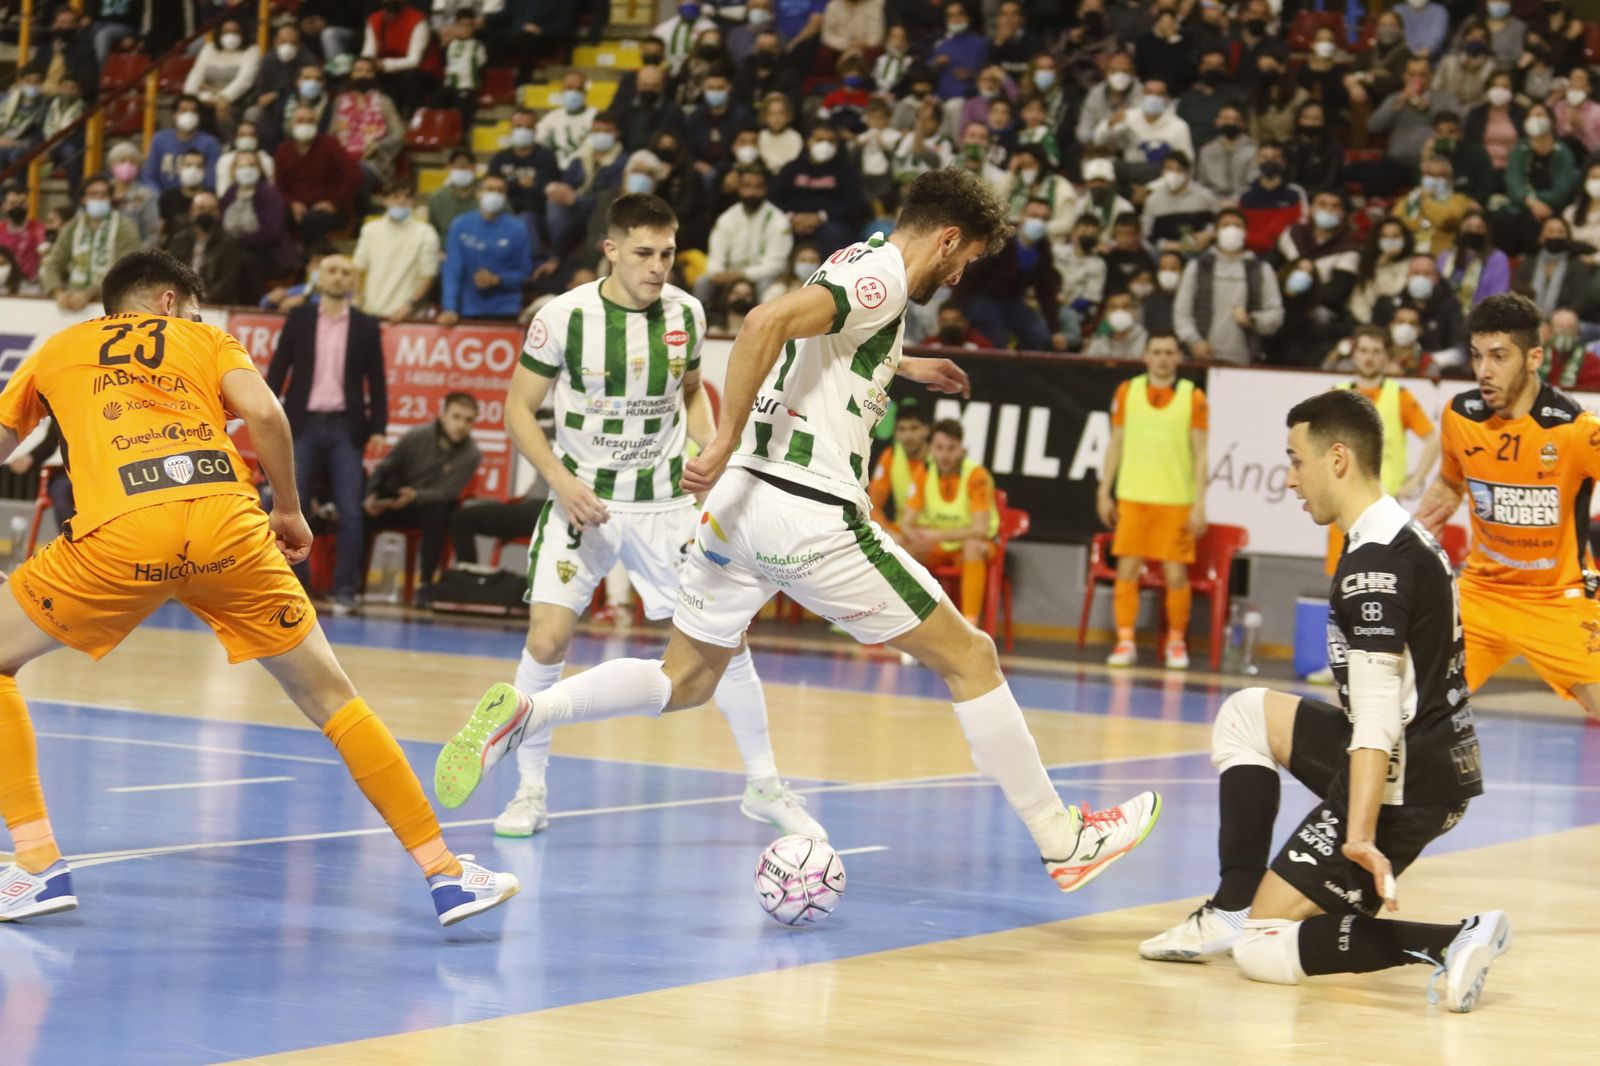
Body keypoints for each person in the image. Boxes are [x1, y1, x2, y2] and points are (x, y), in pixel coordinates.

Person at [435, 167, 1164, 898]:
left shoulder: (857, 258)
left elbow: (827, 343)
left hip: (738, 508)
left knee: (684, 680)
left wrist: (904, 364)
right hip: (806, 509)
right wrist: (721, 436)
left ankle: (531, 711)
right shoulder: (883, 275)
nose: (959, 276)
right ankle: (1062, 839)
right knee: (971, 657)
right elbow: (763, 324)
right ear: (947, 239)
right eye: (965, 258)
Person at [0, 250, 517, 926]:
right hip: (229, 526)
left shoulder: (59, 347)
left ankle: (37, 864)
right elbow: (268, 415)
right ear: (167, 302)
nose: (193, 319)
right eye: (191, 310)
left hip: (122, 532)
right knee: (333, 700)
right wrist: (290, 511)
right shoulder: (208, 341)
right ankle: (447, 874)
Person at [1137, 388, 1504, 1013]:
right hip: (1428, 755)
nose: (1289, 478)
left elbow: (1377, 721)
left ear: (1337, 459)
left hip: (1408, 784)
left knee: (1262, 949)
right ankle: (1232, 905)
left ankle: (1452, 940)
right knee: (1244, 714)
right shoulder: (1396, 532)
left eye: (1295, 460)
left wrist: (1358, 834)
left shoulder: (1373, 567)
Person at [480, 193, 821, 841]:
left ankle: (765, 784)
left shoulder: (687, 313)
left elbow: (690, 393)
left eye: (667, 253)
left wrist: (708, 446)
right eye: (644, 253)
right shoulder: (562, 317)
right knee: (547, 641)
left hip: (664, 506)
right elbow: (518, 410)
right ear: (611, 250)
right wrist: (560, 482)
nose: (659, 266)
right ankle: (529, 790)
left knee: (724, 641)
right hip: (582, 503)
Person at [1416, 293, 1600, 719]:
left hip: (1558, 599)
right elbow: (1449, 483)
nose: (1484, 370)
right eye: (1477, 355)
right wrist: (1420, 528)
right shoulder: (1460, 416)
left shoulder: (1576, 430)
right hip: (1481, 595)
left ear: (1534, 358)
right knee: (1404, 708)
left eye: (1499, 356)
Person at [265, 254, 388, 616]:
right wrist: (263, 415)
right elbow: (278, 369)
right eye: (332, 271)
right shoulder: (300, 318)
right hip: (301, 424)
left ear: (353, 281)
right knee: (293, 506)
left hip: (345, 427)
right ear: (319, 277)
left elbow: (377, 380)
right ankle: (294, 586)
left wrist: (379, 427)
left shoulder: (366, 325)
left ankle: (345, 589)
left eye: (345, 272)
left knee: (350, 509)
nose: (338, 277)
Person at [1096, 334, 1207, 669]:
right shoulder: (1127, 391)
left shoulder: (1192, 396)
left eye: (1169, 352)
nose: (1162, 358)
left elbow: (1201, 453)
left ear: (1178, 357)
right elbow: (1115, 443)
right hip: (1133, 495)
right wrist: (1104, 489)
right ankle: (1125, 641)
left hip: (1175, 499)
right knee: (1127, 569)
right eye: (1156, 352)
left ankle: (1176, 642)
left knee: (1175, 573)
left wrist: (1199, 503)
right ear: (1145, 355)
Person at [1322, 326, 1440, 574]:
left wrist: (1415, 480)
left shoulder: (1399, 396)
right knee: (1342, 579)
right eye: (1364, 350)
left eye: (1376, 352)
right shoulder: (1336, 395)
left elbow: (1433, 439)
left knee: (1382, 579)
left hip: (1385, 506)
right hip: (1344, 506)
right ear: (1354, 354)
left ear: (1386, 356)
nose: (1369, 357)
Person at [365, 393, 483, 601]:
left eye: (468, 420)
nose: (461, 425)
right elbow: (385, 467)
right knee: (359, 514)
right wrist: (372, 496)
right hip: (395, 503)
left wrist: (414, 495)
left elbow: (447, 492)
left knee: (438, 511)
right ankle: (351, 584)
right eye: (456, 417)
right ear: (443, 416)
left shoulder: (472, 454)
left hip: (429, 508)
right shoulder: (416, 436)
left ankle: (426, 584)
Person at [899, 419, 998, 625]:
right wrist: (915, 536)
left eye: (951, 448)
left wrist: (937, 535)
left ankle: (970, 626)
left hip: (974, 546)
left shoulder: (976, 475)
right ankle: (908, 620)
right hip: (938, 546)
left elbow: (980, 529)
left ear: (962, 450)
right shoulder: (924, 473)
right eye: (939, 447)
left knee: (972, 546)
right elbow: (907, 523)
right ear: (930, 449)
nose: (945, 455)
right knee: (903, 548)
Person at [1174, 207, 1283, 364]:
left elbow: (1276, 315)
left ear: (1245, 233)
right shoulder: (1197, 266)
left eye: (1237, 225)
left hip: (1246, 360)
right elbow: (1182, 312)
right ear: (1216, 232)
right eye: (1225, 225)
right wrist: (1194, 341)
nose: (1232, 229)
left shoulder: (1262, 269)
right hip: (1202, 359)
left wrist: (1252, 320)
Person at [439, 174, 534, 324]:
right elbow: (452, 270)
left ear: (505, 196)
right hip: (467, 309)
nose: (494, 195)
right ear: (478, 193)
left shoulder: (517, 229)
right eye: (490, 189)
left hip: (505, 310)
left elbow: (524, 272)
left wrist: (499, 280)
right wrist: (450, 307)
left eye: (500, 191)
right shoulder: (460, 225)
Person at [39, 178, 141, 312]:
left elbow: (126, 271)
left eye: (104, 194)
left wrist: (90, 293)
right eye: (93, 194)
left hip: (112, 302)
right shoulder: (73, 226)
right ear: (83, 199)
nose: (99, 198)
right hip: (73, 300)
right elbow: (53, 264)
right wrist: (58, 292)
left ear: (110, 198)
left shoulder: (125, 227)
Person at [274, 103, 363, 245]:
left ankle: (313, 256)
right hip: (297, 207)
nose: (305, 125)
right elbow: (280, 187)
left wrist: (335, 203)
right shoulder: (283, 150)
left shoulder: (330, 145)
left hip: (330, 210)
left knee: (311, 220)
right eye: (300, 121)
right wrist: (292, 203)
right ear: (291, 125)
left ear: (316, 125)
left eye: (310, 121)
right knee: (274, 217)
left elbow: (354, 174)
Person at [352, 181, 441, 321]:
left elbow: (428, 276)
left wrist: (409, 305)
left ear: (413, 201)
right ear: (385, 200)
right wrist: (357, 297)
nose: (402, 201)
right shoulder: (369, 230)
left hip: (408, 315)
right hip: (371, 310)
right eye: (396, 196)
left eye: (407, 197)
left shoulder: (425, 233)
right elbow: (358, 267)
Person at [184, 16, 261, 138]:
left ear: (243, 33)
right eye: (226, 32)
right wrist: (189, 97)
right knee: (187, 107)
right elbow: (196, 74)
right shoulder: (209, 49)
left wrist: (223, 96)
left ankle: (227, 142)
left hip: (236, 99)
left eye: (235, 32)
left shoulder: (252, 51)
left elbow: (244, 81)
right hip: (206, 96)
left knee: (222, 109)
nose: (230, 35)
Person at [168, 191, 246, 306]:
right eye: (201, 209)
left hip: (215, 304)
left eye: (211, 209)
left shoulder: (229, 243)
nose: (206, 213)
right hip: (181, 301)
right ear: (191, 212)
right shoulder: (179, 240)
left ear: (218, 214)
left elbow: (229, 281)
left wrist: (202, 299)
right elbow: (170, 273)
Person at [867, 397, 929, 537]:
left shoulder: (940, 458)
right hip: (902, 531)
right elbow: (873, 505)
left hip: (935, 533)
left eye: (914, 428)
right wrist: (887, 534)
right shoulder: (891, 456)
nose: (908, 435)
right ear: (895, 432)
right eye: (902, 429)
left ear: (926, 429)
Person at [143, 96, 223, 194]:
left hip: (196, 197)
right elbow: (150, 175)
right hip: (163, 196)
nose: (189, 115)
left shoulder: (210, 143)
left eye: (193, 111)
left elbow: (211, 180)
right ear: (174, 114)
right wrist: (160, 198)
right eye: (184, 110)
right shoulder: (160, 139)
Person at [427, 150, 479, 244]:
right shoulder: (437, 198)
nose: (462, 170)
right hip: (445, 249)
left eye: (466, 166)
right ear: (449, 168)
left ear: (474, 169)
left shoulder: (483, 198)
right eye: (458, 166)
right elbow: (431, 232)